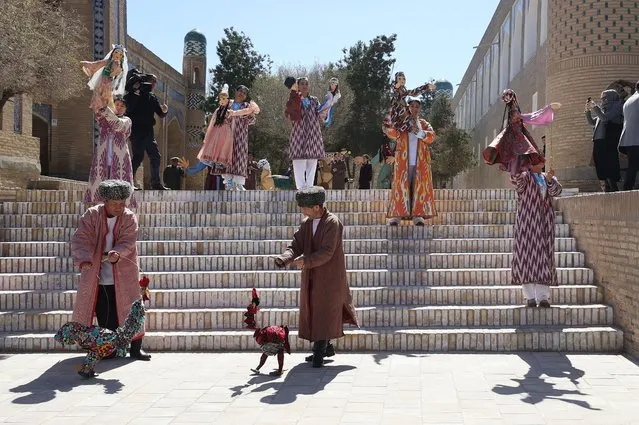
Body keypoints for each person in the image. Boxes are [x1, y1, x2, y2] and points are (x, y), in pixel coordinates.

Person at [273, 186, 359, 367]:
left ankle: (318, 353)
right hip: (312, 274)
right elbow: (296, 244)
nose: (303, 211)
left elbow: (328, 252)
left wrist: (306, 261)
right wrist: (285, 258)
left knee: (324, 311)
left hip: (329, 276)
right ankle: (326, 346)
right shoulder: (306, 223)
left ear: (317, 207)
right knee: (314, 310)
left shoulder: (332, 223)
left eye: (305, 208)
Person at [71, 180, 151, 360]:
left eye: (122, 203)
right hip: (96, 270)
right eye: (115, 203)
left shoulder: (129, 217)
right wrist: (84, 258)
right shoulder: (91, 215)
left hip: (123, 269)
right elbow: (81, 238)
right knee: (105, 311)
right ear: (105, 201)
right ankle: (109, 347)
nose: (119, 207)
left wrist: (117, 253)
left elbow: (128, 241)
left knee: (132, 309)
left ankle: (136, 349)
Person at [511, 159, 563, 308]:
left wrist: (549, 181)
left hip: (545, 223)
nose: (542, 162)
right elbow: (517, 184)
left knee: (544, 258)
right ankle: (530, 298)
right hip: (527, 223)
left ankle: (543, 297)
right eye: (538, 159)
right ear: (531, 163)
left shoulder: (547, 177)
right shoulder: (525, 176)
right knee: (527, 257)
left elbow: (557, 192)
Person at [384, 96, 437, 226]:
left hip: (420, 163)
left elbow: (432, 136)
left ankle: (418, 216)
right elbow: (391, 132)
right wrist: (391, 118)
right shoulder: (401, 123)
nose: (414, 109)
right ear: (407, 108)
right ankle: (397, 215)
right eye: (412, 106)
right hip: (402, 162)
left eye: (417, 107)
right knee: (400, 187)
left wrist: (419, 132)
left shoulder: (423, 123)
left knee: (418, 188)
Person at [483, 89, 560, 176]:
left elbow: (522, 119)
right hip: (517, 137)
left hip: (516, 136)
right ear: (514, 98)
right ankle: (522, 176)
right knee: (522, 157)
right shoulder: (514, 111)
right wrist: (546, 110)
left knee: (519, 158)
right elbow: (529, 117)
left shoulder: (512, 112)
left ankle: (522, 176)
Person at [84, 96, 136, 208]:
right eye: (117, 104)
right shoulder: (104, 119)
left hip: (120, 159)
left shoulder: (127, 121)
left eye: (122, 106)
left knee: (119, 180)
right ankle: (100, 207)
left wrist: (106, 109)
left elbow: (118, 125)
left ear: (125, 109)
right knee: (101, 179)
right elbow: (97, 109)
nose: (119, 107)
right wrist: (102, 88)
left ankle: (119, 207)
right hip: (103, 156)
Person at [124, 70, 170, 190]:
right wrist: (136, 92)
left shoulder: (152, 97)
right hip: (136, 131)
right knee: (138, 157)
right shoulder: (134, 95)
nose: (154, 84)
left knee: (155, 156)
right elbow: (128, 109)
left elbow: (160, 114)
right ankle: (129, 183)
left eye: (155, 82)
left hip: (148, 131)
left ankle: (156, 183)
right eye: (153, 81)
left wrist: (165, 110)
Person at [185, 84, 233, 177]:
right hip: (215, 137)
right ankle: (188, 171)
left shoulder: (230, 110)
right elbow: (212, 123)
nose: (222, 100)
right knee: (206, 159)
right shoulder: (217, 111)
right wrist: (207, 134)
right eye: (221, 98)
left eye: (224, 98)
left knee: (222, 159)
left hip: (225, 136)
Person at [287, 77, 325, 189]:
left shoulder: (314, 100)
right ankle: (301, 190)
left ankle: (309, 189)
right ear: (297, 85)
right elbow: (290, 114)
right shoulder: (294, 98)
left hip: (313, 135)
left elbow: (320, 115)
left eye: (306, 84)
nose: (305, 86)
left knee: (312, 164)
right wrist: (295, 95)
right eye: (302, 83)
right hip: (298, 135)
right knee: (299, 164)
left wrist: (328, 105)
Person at [221, 85, 260, 190]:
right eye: (240, 91)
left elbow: (252, 121)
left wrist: (250, 113)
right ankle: (229, 184)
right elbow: (220, 115)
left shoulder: (247, 105)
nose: (241, 93)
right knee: (228, 159)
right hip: (227, 135)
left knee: (240, 159)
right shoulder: (228, 103)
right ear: (235, 91)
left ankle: (238, 184)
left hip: (241, 137)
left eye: (244, 92)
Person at [586, 91, 623, 192]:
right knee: (600, 164)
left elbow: (605, 118)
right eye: (602, 98)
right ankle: (606, 185)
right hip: (598, 141)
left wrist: (595, 107)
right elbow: (592, 122)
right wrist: (588, 111)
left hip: (608, 140)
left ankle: (613, 186)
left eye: (605, 98)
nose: (603, 100)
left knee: (609, 163)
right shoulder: (604, 109)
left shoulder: (617, 106)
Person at [81, 44, 128, 111]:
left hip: (108, 83)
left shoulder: (118, 65)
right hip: (101, 81)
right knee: (97, 95)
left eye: (120, 54)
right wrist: (86, 63)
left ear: (121, 57)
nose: (118, 55)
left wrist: (112, 74)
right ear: (112, 53)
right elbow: (97, 64)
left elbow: (116, 73)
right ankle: (99, 109)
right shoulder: (108, 62)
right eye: (116, 52)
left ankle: (106, 110)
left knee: (106, 97)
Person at [618, 81, 639, 191]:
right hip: (637, 139)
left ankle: (626, 189)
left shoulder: (628, 101)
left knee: (633, 166)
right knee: (633, 166)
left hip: (629, 140)